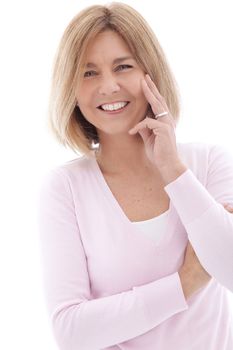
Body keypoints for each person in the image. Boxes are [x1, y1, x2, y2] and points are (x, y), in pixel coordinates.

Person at [37, 2, 233, 349]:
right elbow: (71, 331)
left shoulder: (207, 164)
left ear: (150, 72)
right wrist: (184, 283)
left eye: (122, 66)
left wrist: (174, 170)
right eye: (88, 72)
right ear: (72, 90)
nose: (109, 86)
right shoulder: (65, 188)